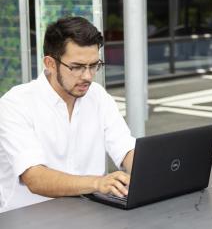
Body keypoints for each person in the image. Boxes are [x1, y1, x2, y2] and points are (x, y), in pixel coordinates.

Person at [0, 16, 136, 212]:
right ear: (50, 63)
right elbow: (35, 178)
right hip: (31, 219)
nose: (88, 76)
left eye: (94, 65)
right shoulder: (15, 104)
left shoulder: (98, 96)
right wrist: (98, 183)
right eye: (77, 67)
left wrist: (149, 171)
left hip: (90, 214)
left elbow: (125, 149)